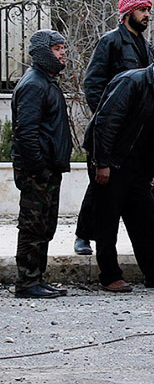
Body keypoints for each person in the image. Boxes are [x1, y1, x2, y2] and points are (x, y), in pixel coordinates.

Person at [84, 44, 154, 292]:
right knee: (107, 220)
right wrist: (102, 163)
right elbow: (105, 123)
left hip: (134, 165)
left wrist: (152, 171)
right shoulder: (132, 82)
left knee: (147, 218)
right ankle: (110, 276)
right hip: (110, 160)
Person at [74, 0, 154, 255]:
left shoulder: (146, 46)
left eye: (148, 10)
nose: (147, 15)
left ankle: (148, 237)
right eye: (142, 10)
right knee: (101, 183)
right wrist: (109, 119)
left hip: (140, 133)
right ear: (129, 12)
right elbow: (92, 83)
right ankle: (84, 234)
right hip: (115, 131)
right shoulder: (111, 42)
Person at [12, 30, 73, 299]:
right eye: (57, 48)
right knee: (33, 226)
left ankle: (37, 278)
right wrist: (39, 168)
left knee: (45, 226)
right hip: (38, 171)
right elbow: (26, 133)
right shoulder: (34, 85)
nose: (62, 54)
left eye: (62, 48)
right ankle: (27, 283)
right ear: (43, 52)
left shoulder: (45, 83)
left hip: (48, 170)